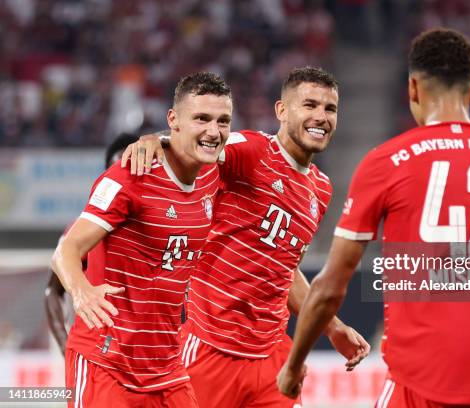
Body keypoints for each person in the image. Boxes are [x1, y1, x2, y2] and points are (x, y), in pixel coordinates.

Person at [277, 28, 470, 407]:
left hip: (422, 373)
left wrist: (293, 364)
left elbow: (330, 287)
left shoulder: (386, 162)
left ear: (413, 90)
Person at [124, 66, 370, 407]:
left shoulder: (321, 189)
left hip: (272, 358)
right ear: (282, 111)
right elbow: (200, 145)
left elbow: (286, 272)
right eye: (309, 105)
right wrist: (157, 140)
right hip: (211, 351)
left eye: (330, 109)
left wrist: (331, 326)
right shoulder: (252, 151)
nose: (321, 116)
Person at [51, 71, 232, 407]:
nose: (214, 130)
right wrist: (82, 292)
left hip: (165, 367)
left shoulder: (216, 171)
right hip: (107, 363)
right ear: (174, 119)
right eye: (202, 118)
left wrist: (156, 137)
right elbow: (66, 251)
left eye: (223, 121)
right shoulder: (130, 174)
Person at [45, 133, 138, 355]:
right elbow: (52, 291)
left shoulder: (164, 226)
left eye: (130, 171)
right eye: (117, 172)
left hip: (151, 353)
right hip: (99, 352)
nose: (123, 182)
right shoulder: (84, 229)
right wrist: (64, 346)